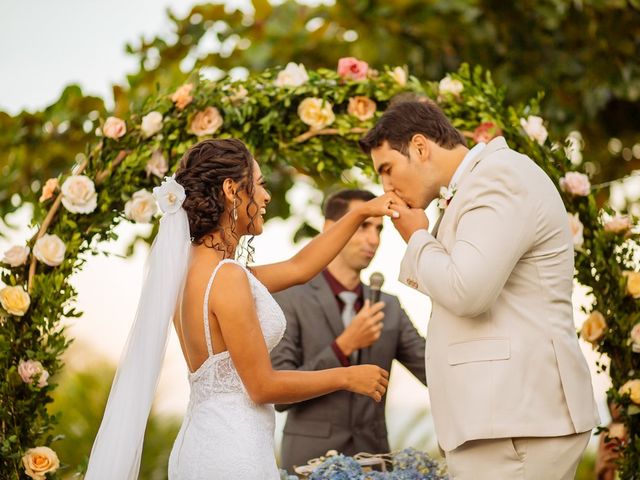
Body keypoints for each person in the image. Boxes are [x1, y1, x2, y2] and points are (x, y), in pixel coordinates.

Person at [85, 138, 397, 480]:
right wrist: (347, 376)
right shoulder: (227, 277)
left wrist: (361, 212)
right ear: (232, 190)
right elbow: (262, 386)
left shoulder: (190, 271)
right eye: (260, 185)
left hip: (201, 444)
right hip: (233, 453)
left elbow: (300, 267)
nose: (265, 197)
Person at [359, 100, 600, 480]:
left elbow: (468, 290)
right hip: (505, 421)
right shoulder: (479, 183)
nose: (385, 186)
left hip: (518, 423)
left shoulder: (498, 177)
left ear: (420, 147)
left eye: (387, 169)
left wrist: (417, 237)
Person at [271, 189, 426, 472]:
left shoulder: (389, 306)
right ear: (331, 229)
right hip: (309, 464)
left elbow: (433, 371)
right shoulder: (289, 299)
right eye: (363, 225)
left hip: (375, 464)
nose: (373, 239)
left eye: (379, 229)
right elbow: (279, 394)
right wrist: (342, 347)